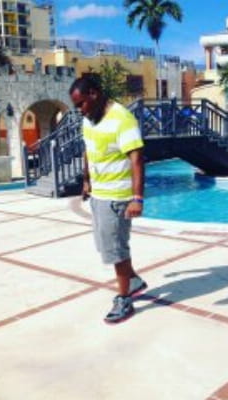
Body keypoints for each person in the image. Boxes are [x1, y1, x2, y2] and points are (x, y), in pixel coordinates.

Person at [69, 76, 147, 324]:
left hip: (117, 198)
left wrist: (137, 198)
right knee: (107, 245)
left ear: (94, 94)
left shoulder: (122, 118)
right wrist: (86, 180)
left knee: (115, 250)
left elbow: (137, 158)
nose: (79, 110)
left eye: (81, 104)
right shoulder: (89, 119)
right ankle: (132, 280)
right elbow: (88, 149)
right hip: (99, 195)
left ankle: (124, 299)